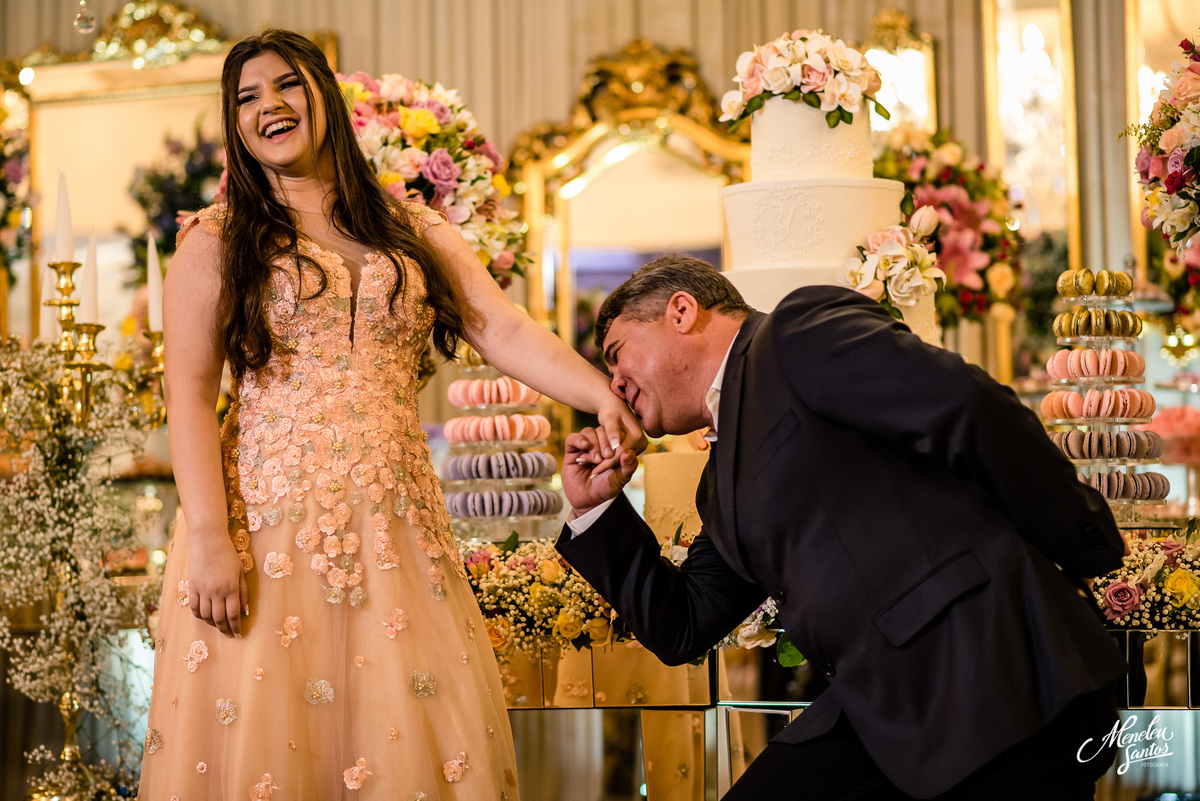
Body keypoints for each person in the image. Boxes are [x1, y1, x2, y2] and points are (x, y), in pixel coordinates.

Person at [138, 29, 641, 800]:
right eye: (245, 97)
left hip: (397, 528)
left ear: (325, 96)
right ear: (234, 125)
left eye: (285, 85)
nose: (267, 105)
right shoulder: (217, 241)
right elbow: (190, 397)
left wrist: (599, 392)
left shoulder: (412, 229)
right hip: (266, 530)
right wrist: (208, 538)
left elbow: (500, 326)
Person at [558, 254, 1128, 800]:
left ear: (681, 312)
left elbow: (970, 407)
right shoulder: (716, 487)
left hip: (993, 675)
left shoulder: (794, 334)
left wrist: (1084, 548)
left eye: (616, 354)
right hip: (881, 711)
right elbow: (683, 623)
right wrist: (596, 509)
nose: (614, 385)